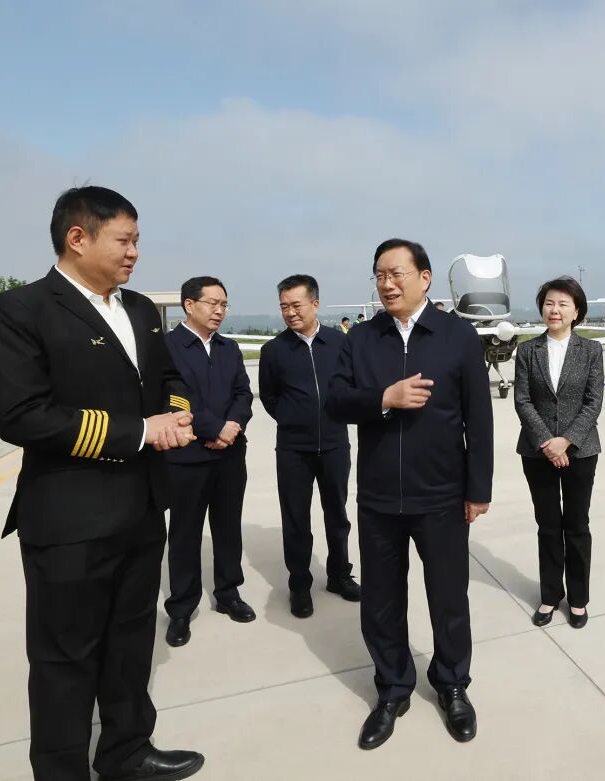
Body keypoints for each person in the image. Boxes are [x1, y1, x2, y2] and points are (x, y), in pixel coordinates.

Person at [0, 186, 204, 781]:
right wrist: (142, 431)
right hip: (70, 521)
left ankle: (127, 751)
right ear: (77, 238)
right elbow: (21, 415)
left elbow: (168, 378)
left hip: (141, 510)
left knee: (131, 644)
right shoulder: (18, 311)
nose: (134, 253)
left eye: (137, 241)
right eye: (124, 240)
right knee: (64, 660)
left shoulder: (140, 311)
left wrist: (177, 415)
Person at [327, 238, 493, 750]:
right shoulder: (361, 338)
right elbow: (335, 401)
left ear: (424, 277)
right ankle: (393, 688)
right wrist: (384, 398)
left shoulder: (457, 336)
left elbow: (479, 418)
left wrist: (478, 489)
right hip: (379, 497)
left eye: (396, 273)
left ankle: (452, 685)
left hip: (442, 495)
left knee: (449, 597)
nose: (387, 283)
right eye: (379, 274)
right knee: (380, 601)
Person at [258, 274, 360, 619]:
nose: (290, 312)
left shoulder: (340, 343)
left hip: (334, 444)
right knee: (296, 520)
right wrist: (293, 418)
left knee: (338, 515)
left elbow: (351, 386)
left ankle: (339, 575)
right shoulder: (274, 351)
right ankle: (299, 585)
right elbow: (269, 397)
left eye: (296, 305)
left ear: (315, 304)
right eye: (284, 306)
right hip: (293, 450)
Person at [163, 276, 255, 648]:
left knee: (228, 528)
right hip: (187, 458)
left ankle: (228, 593)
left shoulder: (228, 348)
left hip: (229, 456)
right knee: (184, 533)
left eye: (224, 304)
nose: (219, 311)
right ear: (189, 305)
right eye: (212, 303)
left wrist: (232, 426)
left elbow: (244, 393)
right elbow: (175, 399)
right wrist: (214, 428)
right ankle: (181, 607)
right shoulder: (167, 347)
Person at [513, 276, 604, 630]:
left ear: (576, 311)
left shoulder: (591, 350)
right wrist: (547, 442)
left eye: (563, 304)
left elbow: (593, 402)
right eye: (549, 303)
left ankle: (578, 598)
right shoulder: (527, 351)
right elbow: (522, 400)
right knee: (548, 525)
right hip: (538, 453)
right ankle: (550, 594)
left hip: (580, 451)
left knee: (577, 525)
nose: (555, 310)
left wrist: (566, 440)